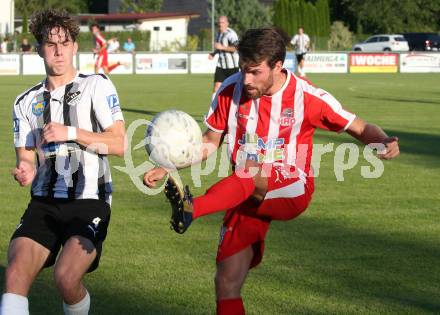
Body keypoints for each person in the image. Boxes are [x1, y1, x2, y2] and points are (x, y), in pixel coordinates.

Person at [143, 27, 400, 315]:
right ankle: (192, 210)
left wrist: (384, 141)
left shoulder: (307, 96)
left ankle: (192, 208)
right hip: (244, 192)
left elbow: (361, 128)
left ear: (278, 66)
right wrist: (168, 163)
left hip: (292, 186)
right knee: (226, 282)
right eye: (243, 71)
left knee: (250, 172)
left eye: (254, 72)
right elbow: (209, 142)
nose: (247, 79)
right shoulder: (230, 90)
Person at [1, 8, 125, 315]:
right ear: (40, 47)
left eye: (65, 42)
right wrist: (26, 169)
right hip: (43, 202)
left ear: (74, 46)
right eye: (50, 44)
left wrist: (69, 131)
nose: (58, 50)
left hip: (89, 200)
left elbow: (119, 143)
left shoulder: (96, 85)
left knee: (66, 278)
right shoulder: (25, 102)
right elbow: (26, 156)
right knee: (15, 273)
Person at [208, 16, 239, 97]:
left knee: (234, 89)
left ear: (227, 23)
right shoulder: (218, 33)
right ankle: (213, 108)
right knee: (216, 87)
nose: (220, 24)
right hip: (221, 65)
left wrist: (222, 47)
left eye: (222, 22)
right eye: (219, 22)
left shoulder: (231, 34)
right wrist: (213, 54)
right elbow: (219, 47)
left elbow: (236, 48)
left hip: (232, 66)